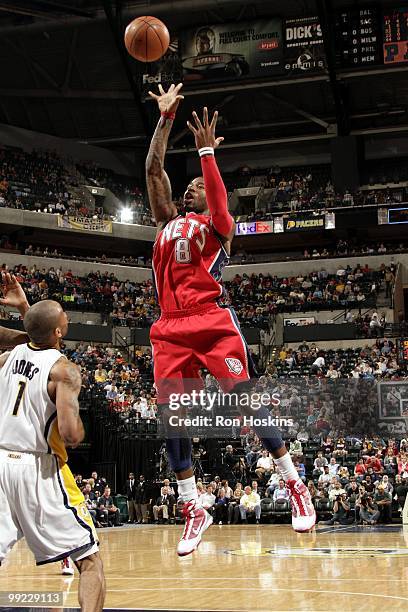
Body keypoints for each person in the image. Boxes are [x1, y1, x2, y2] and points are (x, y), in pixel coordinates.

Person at [146, 84, 315, 555]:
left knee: (246, 401)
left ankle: (294, 483)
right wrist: (164, 120)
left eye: (197, 185)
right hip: (168, 324)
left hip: (210, 318)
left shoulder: (218, 227)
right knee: (171, 416)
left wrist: (206, 154)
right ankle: (191, 505)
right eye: (191, 185)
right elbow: (153, 170)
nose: (190, 188)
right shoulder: (166, 223)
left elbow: (220, 202)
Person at [0, 274, 105, 612]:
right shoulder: (66, 372)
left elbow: (31, 338)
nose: (67, 317)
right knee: (89, 559)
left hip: (1, 463)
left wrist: (25, 310)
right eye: (64, 315)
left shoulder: (9, 356)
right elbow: (72, 436)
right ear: (59, 332)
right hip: (38, 469)